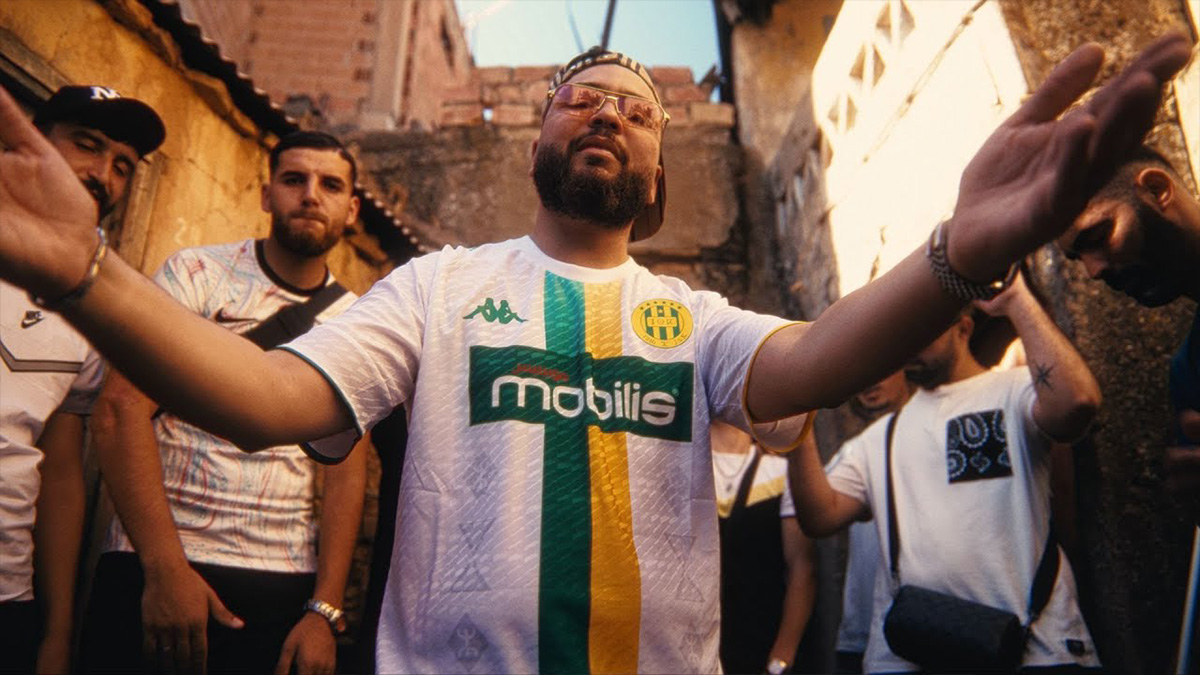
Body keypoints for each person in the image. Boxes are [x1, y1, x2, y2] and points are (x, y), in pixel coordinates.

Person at [0, 34, 1190, 672]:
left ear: (658, 179)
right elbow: (265, 398)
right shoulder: (439, 290)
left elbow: (819, 361)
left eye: (636, 107)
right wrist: (87, 272)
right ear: (538, 145)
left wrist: (956, 254)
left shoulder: (695, 322)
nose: (607, 109)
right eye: (580, 97)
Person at [77, 131, 369, 675]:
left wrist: (324, 611)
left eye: (330, 185)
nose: (310, 195)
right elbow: (120, 409)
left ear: (351, 210)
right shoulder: (197, 274)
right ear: (266, 195)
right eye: (294, 179)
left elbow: (346, 472)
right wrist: (164, 569)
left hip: (281, 581)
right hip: (153, 561)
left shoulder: (358, 319)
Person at [791, 273, 1102, 671]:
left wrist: (1017, 300)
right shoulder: (880, 438)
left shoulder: (1015, 391)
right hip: (908, 655)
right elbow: (820, 517)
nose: (908, 346)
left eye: (921, 332)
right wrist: (796, 431)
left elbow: (1077, 403)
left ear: (964, 328)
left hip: (1036, 648)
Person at [0, 84, 163, 674]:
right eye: (87, 145)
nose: (102, 174)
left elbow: (62, 474)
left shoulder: (89, 308)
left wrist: (56, 632)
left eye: (122, 165)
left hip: (8, 596)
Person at [1055, 146, 1200, 486]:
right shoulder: (1188, 370)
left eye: (1098, 236)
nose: (1093, 271)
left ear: (1157, 190)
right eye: (1079, 258)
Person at [825, 371, 912, 674]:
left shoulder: (930, 436)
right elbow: (819, 515)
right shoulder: (853, 452)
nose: (870, 382)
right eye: (864, 373)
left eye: (883, 370)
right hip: (862, 632)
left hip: (924, 622)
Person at [712, 421, 815, 675]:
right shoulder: (683, 467)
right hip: (691, 645)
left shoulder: (779, 473)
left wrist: (782, 655)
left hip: (758, 644)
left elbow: (802, 568)